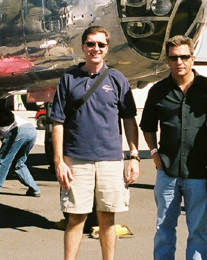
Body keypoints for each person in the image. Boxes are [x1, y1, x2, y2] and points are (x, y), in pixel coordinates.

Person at [50, 25, 140, 260]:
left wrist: (134, 156)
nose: (95, 49)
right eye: (91, 44)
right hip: (76, 160)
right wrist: (59, 161)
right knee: (76, 217)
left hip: (110, 159)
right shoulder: (69, 78)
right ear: (83, 47)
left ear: (107, 49)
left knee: (107, 218)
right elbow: (57, 122)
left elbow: (129, 120)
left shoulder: (117, 79)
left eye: (100, 44)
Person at [140, 35, 207, 260]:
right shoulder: (158, 91)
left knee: (199, 232)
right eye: (174, 58)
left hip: (199, 173)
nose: (179, 62)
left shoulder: (206, 88)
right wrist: (153, 153)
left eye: (184, 57)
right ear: (167, 60)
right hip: (167, 172)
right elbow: (147, 126)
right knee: (164, 230)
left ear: (192, 59)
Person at [0, 99, 40, 198]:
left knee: (2, 160)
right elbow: (6, 141)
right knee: (19, 163)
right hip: (31, 131)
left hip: (18, 131)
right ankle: (35, 189)